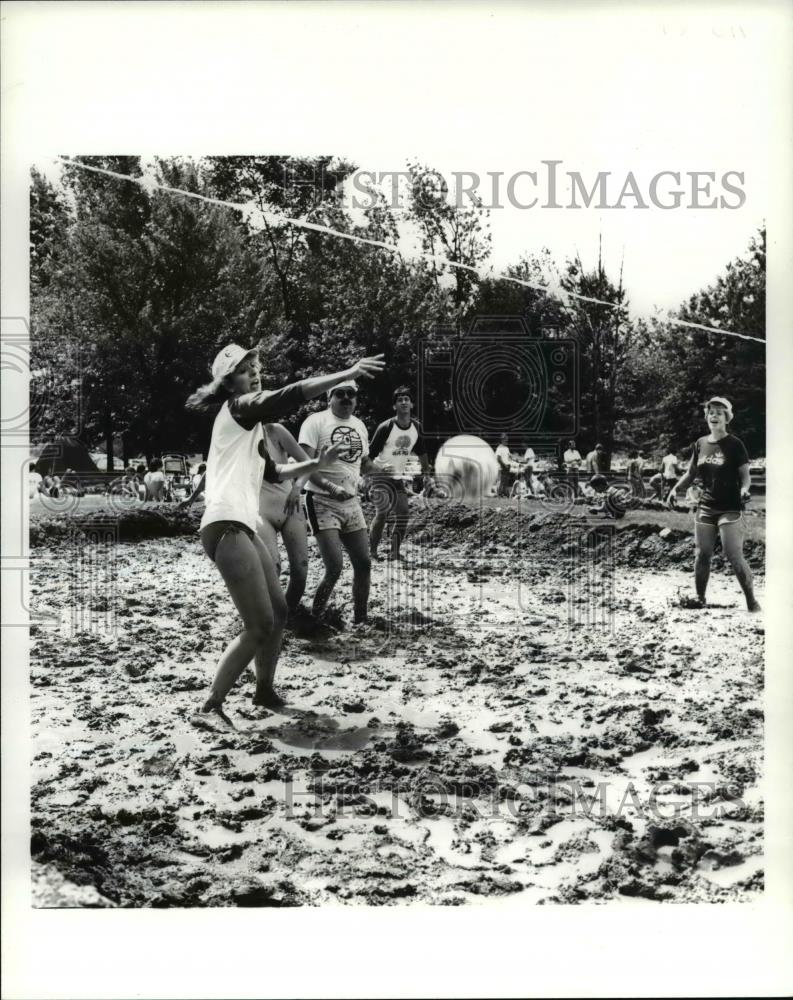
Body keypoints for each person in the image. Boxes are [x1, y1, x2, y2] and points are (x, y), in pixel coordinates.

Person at [185, 344, 385, 726]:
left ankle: (264, 689)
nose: (255, 374)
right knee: (259, 624)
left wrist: (316, 464)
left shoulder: (251, 429)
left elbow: (274, 473)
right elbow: (292, 394)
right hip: (225, 525)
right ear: (229, 383)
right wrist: (347, 373)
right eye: (245, 370)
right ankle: (210, 706)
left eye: (256, 367)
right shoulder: (240, 408)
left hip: (238, 525)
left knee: (278, 612)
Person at [298, 379, 384, 627]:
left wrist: (378, 472)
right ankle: (315, 618)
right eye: (340, 394)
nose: (346, 398)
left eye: (351, 394)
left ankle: (361, 618)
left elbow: (364, 463)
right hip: (321, 500)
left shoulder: (359, 425)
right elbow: (302, 463)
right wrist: (330, 487)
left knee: (364, 564)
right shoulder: (315, 422)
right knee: (334, 567)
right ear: (329, 398)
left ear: (356, 399)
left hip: (351, 502)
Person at [667, 396, 760, 612]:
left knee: (733, 553)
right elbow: (691, 473)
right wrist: (675, 489)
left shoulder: (735, 444)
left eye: (719, 412)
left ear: (727, 418)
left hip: (730, 507)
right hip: (706, 506)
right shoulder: (700, 443)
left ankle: (751, 601)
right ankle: (700, 598)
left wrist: (745, 490)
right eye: (711, 412)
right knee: (702, 553)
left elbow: (745, 477)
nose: (714, 416)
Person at [368, 386, 433, 561]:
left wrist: (427, 475)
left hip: (398, 478)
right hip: (380, 476)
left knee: (403, 514)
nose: (403, 402)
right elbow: (369, 455)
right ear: (394, 406)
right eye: (399, 400)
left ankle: (394, 552)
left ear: (411, 404)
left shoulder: (416, 427)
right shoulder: (386, 427)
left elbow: (422, 452)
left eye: (406, 399)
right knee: (382, 513)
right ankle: (372, 552)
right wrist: (367, 476)